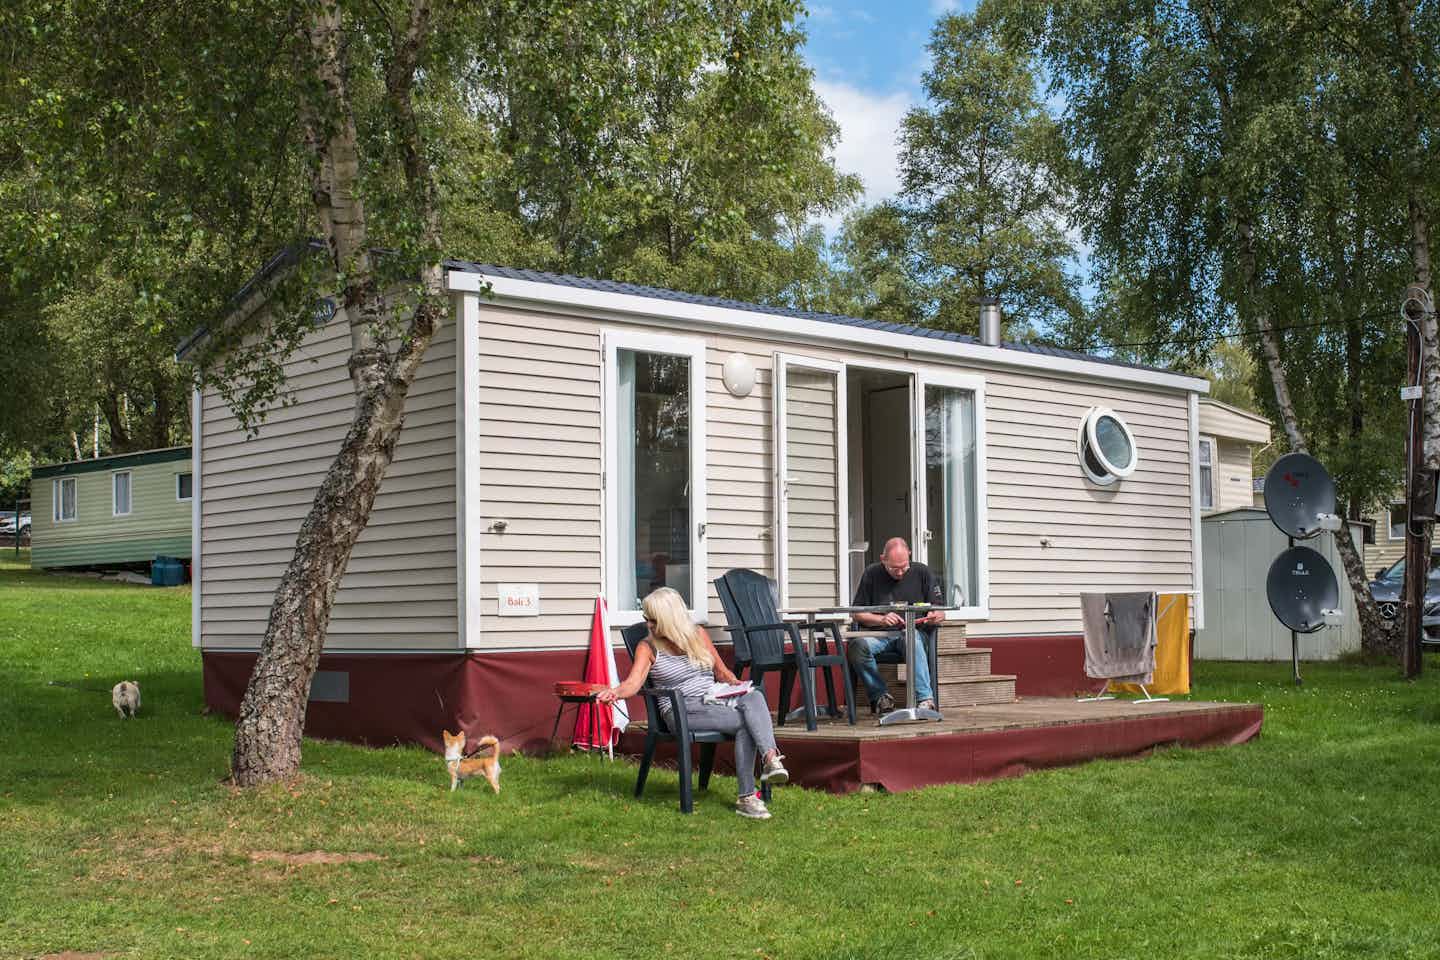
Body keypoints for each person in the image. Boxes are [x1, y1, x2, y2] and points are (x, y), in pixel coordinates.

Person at [598, 587, 789, 819]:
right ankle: (748, 795)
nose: (648, 624)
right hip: (681, 710)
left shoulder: (698, 635)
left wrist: (740, 687)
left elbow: (722, 672)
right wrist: (615, 692)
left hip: (714, 698)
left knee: (755, 696)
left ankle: (769, 761)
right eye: (645, 619)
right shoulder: (647, 647)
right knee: (747, 722)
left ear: (670, 619)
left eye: (652, 619)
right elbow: (634, 683)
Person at [848, 537, 945, 713]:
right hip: (879, 635)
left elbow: (940, 610)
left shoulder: (922, 572)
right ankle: (880, 697)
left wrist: (935, 616)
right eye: (894, 568)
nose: (900, 573)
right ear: (883, 559)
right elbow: (856, 613)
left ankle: (925, 699)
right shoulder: (871, 574)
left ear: (909, 555)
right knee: (857, 645)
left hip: (913, 633)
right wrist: (881, 619)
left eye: (904, 567)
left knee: (911, 636)